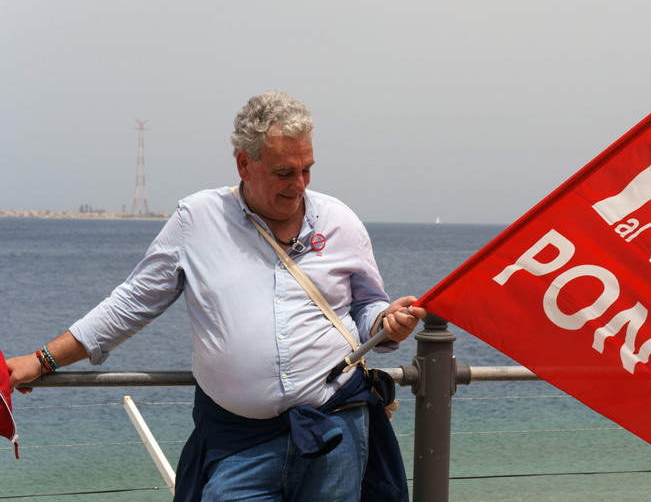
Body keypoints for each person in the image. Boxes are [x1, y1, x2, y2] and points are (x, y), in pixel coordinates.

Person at [6, 91, 427, 501]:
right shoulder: (197, 220)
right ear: (244, 164)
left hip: (335, 429)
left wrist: (385, 321)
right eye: (284, 172)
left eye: (307, 170)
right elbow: (129, 306)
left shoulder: (341, 221)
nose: (299, 185)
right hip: (239, 444)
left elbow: (366, 307)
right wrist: (43, 360)